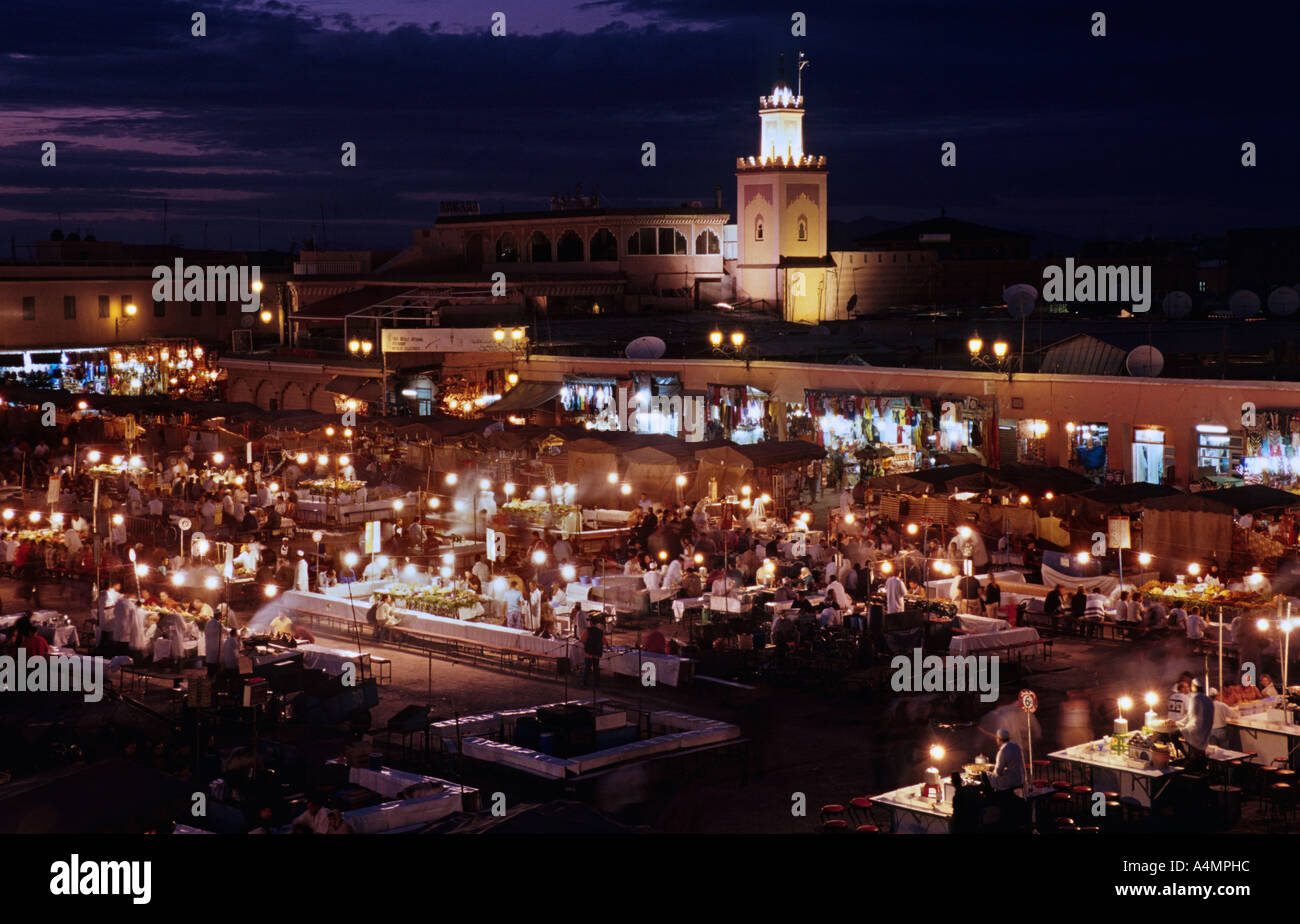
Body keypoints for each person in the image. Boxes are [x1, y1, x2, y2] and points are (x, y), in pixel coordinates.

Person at [1178, 681, 1215, 765]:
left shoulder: (1195, 698)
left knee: (1174, 735)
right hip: (1206, 730)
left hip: (1195, 729)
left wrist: (1180, 724)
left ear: (1194, 686)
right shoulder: (1208, 699)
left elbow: (1191, 715)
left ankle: (1186, 758)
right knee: (1201, 750)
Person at [989, 728, 1025, 802]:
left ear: (999, 739)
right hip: (1021, 778)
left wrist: (991, 770)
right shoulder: (1016, 746)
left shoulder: (1003, 751)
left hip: (1012, 781)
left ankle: (996, 800)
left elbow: (998, 772)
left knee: (990, 777)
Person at [580, 614, 605, 687]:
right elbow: (604, 641)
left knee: (587, 668)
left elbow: (582, 640)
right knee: (596, 669)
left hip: (589, 653)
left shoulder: (587, 630)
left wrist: (586, 644)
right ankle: (596, 683)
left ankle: (584, 682)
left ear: (591, 623)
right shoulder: (600, 632)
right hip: (596, 653)